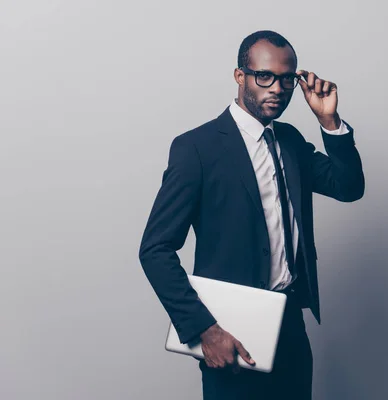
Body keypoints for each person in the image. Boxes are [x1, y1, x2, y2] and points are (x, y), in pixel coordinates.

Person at [138, 30, 365, 400]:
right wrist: (205, 330)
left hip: (290, 325)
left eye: (286, 79)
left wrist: (330, 121)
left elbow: (348, 186)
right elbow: (155, 249)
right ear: (240, 76)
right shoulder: (196, 148)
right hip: (229, 332)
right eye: (264, 76)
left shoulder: (289, 140)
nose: (276, 88)